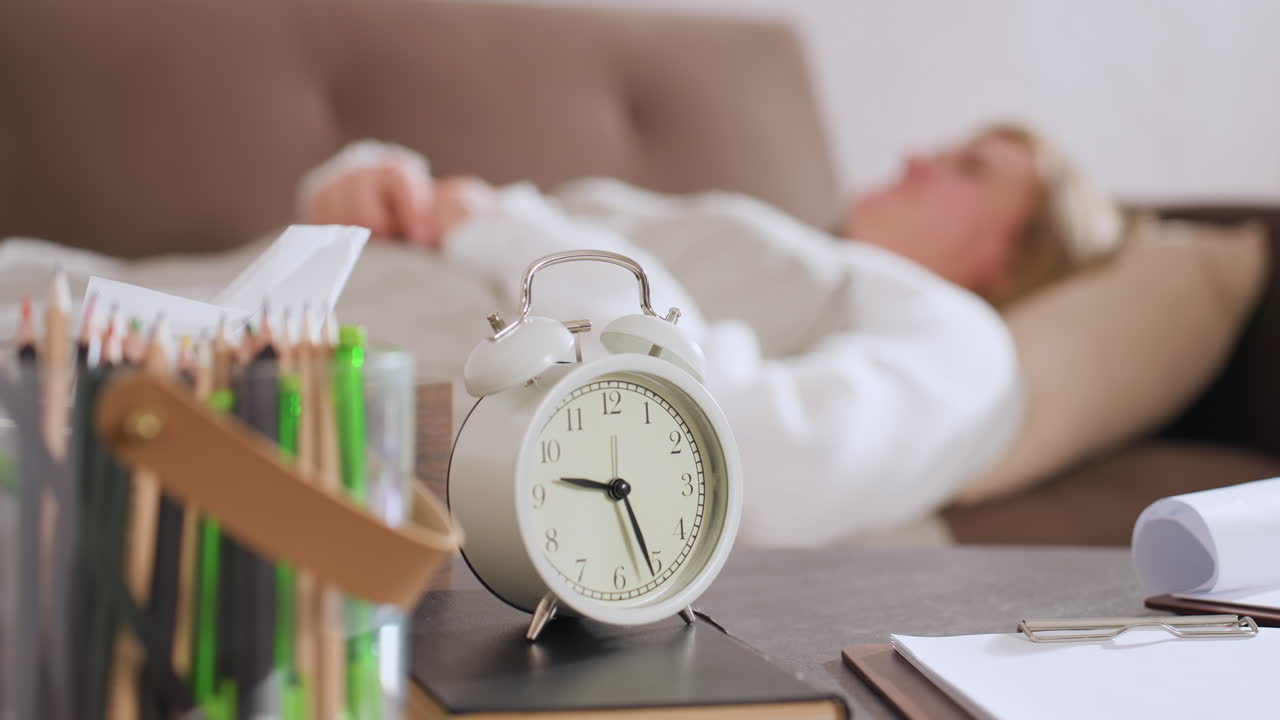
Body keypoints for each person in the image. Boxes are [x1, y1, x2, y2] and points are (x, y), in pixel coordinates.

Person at [298, 126, 1122, 547]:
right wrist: (372, 179)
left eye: (970, 166)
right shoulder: (794, 250)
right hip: (284, 311)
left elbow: (731, 454)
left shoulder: (965, 341)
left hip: (307, 406)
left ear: (1008, 258)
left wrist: (499, 224)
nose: (915, 157)